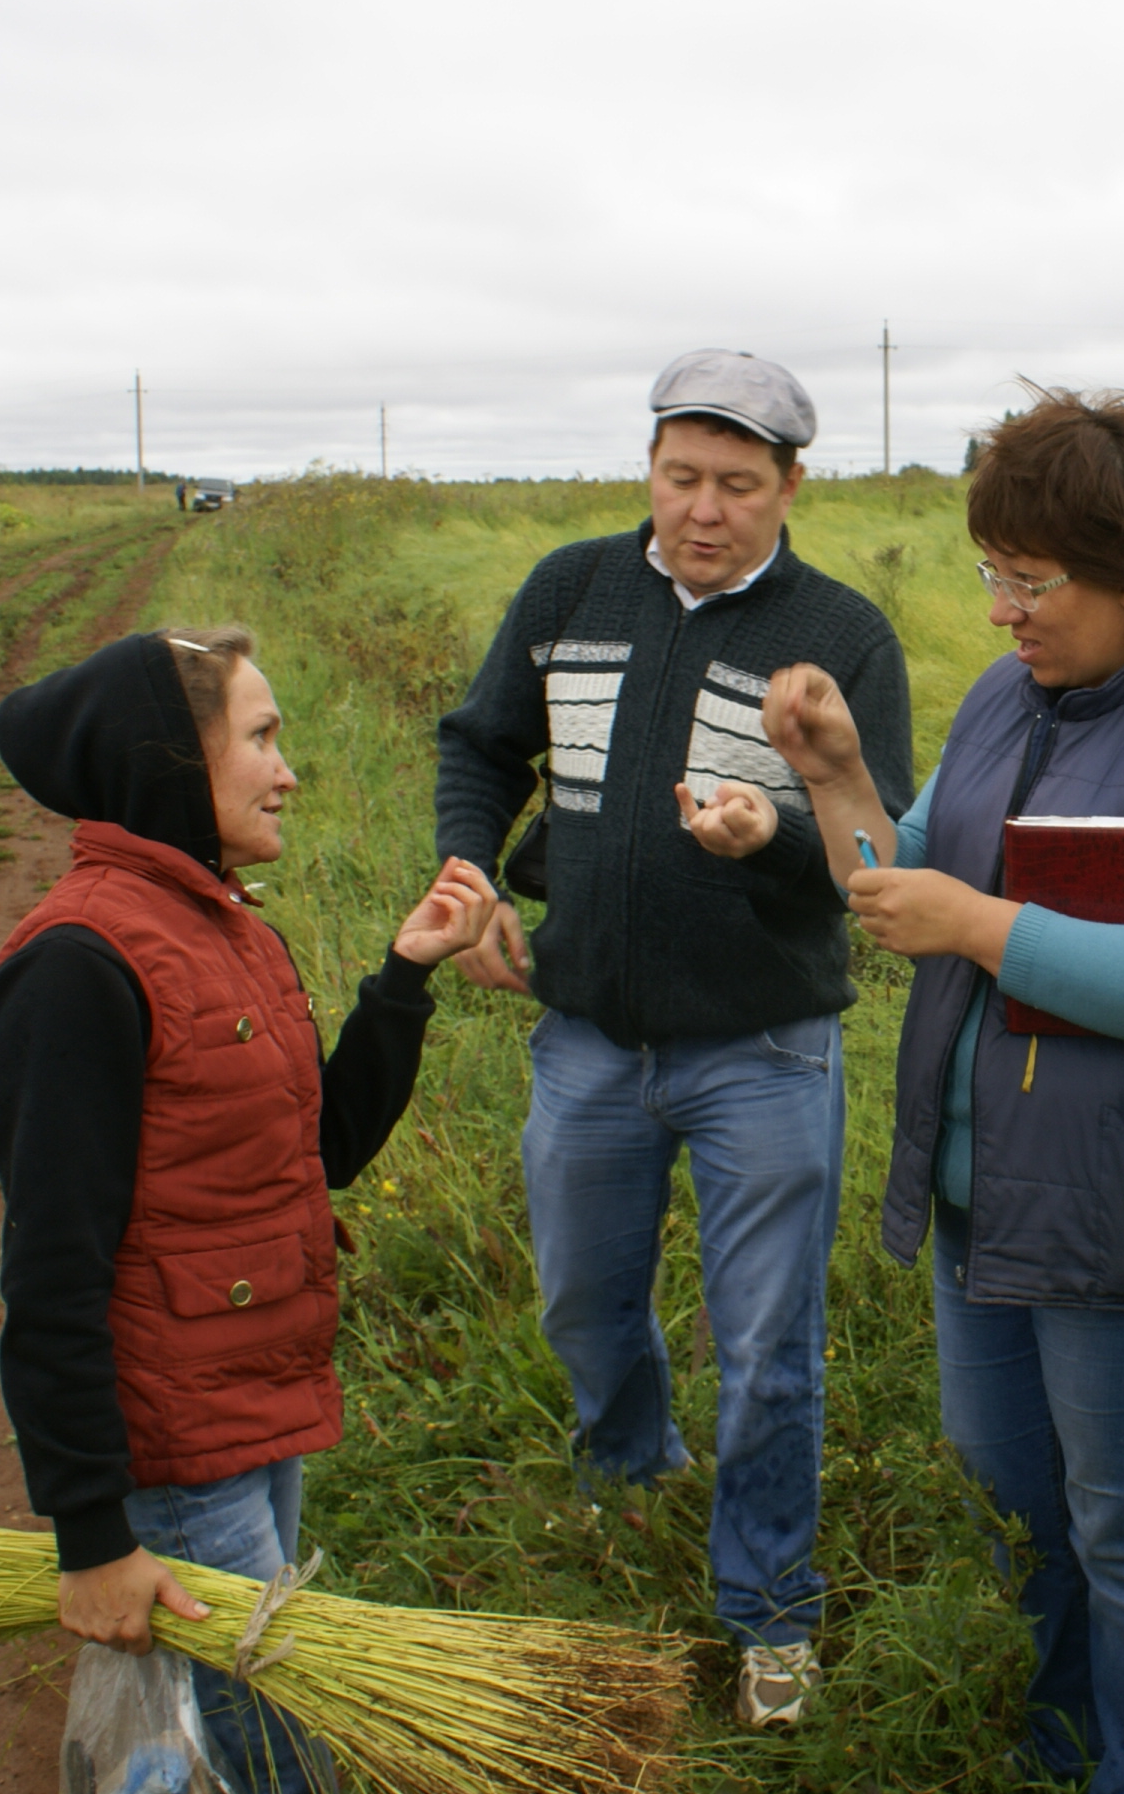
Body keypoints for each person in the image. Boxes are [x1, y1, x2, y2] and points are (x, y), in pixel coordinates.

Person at [752, 388, 1124, 1794]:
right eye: (991, 574)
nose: (1003, 611)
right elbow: (905, 874)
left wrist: (978, 923)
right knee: (1020, 1494)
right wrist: (831, 777)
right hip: (993, 1201)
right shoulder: (1015, 697)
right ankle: (1065, 1732)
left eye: (1032, 580)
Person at [430, 348, 911, 1725]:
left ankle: (770, 1611)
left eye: (739, 485)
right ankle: (632, 1483)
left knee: (769, 1347)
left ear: (791, 487)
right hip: (586, 1039)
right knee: (584, 1306)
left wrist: (777, 836)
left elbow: (879, 854)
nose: (705, 510)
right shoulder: (571, 590)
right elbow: (479, 748)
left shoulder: (843, 635)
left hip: (763, 1051)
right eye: (681, 476)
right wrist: (471, 884)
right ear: (649, 467)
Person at [0, 626, 498, 1794]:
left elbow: (318, 1154)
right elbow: (50, 1274)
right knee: (282, 1740)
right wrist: (92, 1540)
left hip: (252, 1404)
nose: (287, 769)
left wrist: (404, 978)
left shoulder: (222, 929)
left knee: (224, 1718)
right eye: (261, 737)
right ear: (171, 763)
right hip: (177, 1440)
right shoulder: (76, 965)